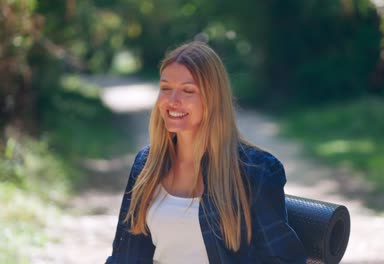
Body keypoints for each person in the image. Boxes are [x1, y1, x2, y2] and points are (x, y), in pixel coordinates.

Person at [106, 41, 306, 263]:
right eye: (165, 88)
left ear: (213, 98)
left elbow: (281, 258)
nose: (173, 101)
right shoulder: (147, 164)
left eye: (188, 91)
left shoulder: (255, 170)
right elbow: (124, 256)